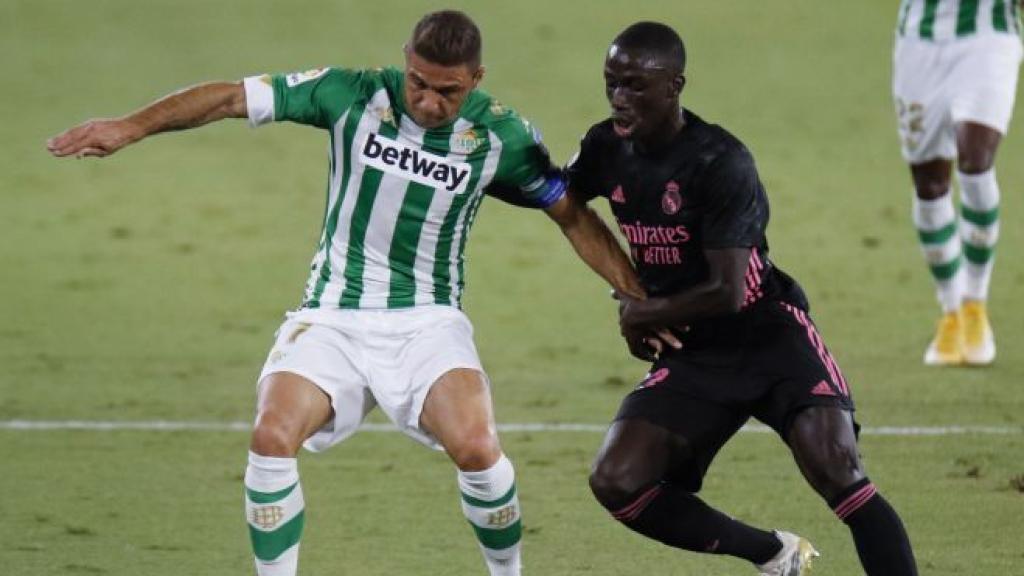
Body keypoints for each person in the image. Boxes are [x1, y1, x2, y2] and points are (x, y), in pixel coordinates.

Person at [47, 11, 647, 576]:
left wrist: (640, 296)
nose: (430, 102)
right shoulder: (350, 94)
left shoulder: (502, 137)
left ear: (476, 81)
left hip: (427, 322)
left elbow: (572, 215)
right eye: (419, 83)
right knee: (271, 435)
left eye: (449, 91)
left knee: (476, 446)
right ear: (405, 60)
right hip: (332, 314)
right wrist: (131, 127)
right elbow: (233, 96)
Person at [567, 22, 919, 576]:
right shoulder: (605, 147)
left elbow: (728, 292)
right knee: (617, 480)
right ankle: (774, 554)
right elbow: (557, 197)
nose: (619, 98)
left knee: (838, 472)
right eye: (611, 83)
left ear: (674, 86)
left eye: (635, 86)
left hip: (767, 334)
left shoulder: (719, 161)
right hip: (695, 353)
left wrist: (642, 313)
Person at [893, 0, 1022, 365]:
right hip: (917, 44)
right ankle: (951, 311)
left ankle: (975, 304)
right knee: (929, 185)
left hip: (987, 39)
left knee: (975, 162)